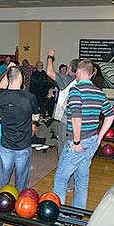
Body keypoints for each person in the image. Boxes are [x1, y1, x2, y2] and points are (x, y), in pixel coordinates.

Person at [53, 60, 114, 209]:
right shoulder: (99, 92)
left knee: (61, 178)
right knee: (82, 180)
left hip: (78, 143)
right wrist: (99, 138)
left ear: (79, 72)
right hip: (92, 140)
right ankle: (76, 214)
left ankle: (58, 216)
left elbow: (76, 118)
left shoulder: (76, 90)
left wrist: (76, 142)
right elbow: (110, 115)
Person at [0, 65, 39, 192]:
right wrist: (33, 124)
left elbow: (0, 86)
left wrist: (9, 70)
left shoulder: (0, 96)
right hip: (23, 144)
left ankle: (0, 203)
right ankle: (20, 204)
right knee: (21, 179)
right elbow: (36, 116)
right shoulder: (30, 97)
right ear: (21, 79)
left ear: (8, 78)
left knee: (3, 178)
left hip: (6, 144)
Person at [46, 50, 79, 189]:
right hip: (80, 123)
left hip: (67, 122)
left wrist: (50, 56)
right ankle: (75, 182)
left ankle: (68, 183)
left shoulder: (67, 80)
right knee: (75, 151)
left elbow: (49, 72)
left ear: (71, 69)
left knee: (64, 150)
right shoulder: (84, 82)